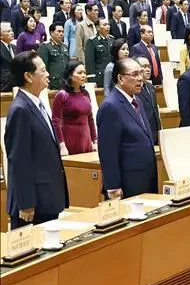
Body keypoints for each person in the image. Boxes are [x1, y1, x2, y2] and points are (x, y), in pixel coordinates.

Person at [5, 51, 69, 228]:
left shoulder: (37, 104)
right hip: (32, 204)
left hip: (47, 197)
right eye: (43, 70)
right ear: (28, 76)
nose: (48, 74)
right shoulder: (21, 110)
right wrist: (25, 202)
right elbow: (18, 160)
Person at [97, 58, 158, 199]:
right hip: (127, 183)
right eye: (135, 74)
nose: (140, 78)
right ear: (120, 78)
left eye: (141, 74)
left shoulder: (138, 101)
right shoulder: (111, 106)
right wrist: (113, 186)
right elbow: (108, 151)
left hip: (146, 178)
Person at [52, 60, 97, 156]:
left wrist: (95, 141)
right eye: (79, 73)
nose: (83, 75)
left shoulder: (86, 94)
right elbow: (56, 122)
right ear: (70, 75)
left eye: (85, 72)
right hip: (70, 141)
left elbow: (90, 119)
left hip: (86, 140)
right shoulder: (62, 95)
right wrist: (62, 146)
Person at [135, 56, 161, 145]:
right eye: (144, 66)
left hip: (156, 134)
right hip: (143, 135)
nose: (148, 69)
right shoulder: (134, 89)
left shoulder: (150, 87)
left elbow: (155, 111)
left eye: (149, 66)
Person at [84, 18, 114, 88]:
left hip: (112, 75)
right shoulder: (92, 41)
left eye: (108, 24)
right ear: (98, 28)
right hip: (100, 77)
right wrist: (92, 80)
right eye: (105, 25)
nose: (108, 27)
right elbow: (90, 63)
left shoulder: (112, 39)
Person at [0, 24, 16, 91]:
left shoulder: (14, 47)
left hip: (14, 84)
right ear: (1, 36)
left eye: (12, 31)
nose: (11, 33)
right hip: (3, 85)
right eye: (8, 31)